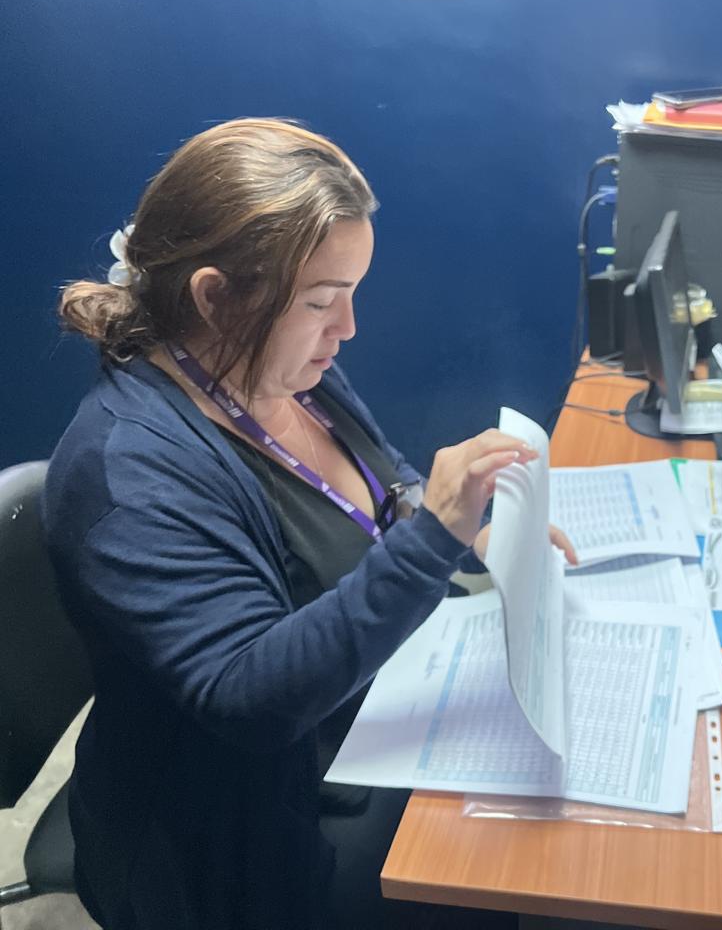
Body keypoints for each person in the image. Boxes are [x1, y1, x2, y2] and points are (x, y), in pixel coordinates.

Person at [44, 118, 571, 929]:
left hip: (356, 726)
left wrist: (478, 533)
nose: (348, 327)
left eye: (352, 292)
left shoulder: (279, 370)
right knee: (523, 883)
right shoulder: (128, 474)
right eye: (323, 301)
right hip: (230, 842)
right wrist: (432, 536)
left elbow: (382, 485)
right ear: (215, 297)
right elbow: (249, 698)